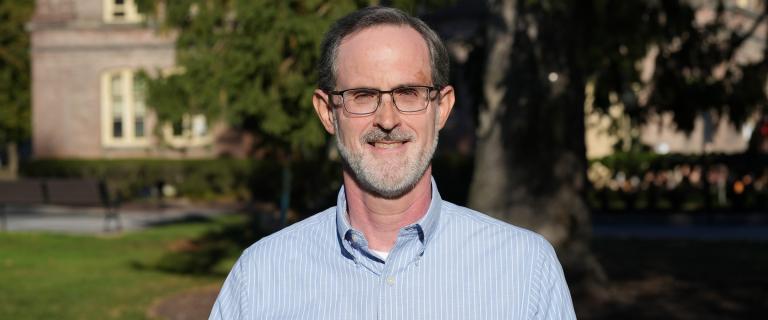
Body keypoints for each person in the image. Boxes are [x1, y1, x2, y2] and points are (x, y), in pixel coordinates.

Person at [210, 6, 576, 320]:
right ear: (327, 112)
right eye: (363, 95)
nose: (387, 119)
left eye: (408, 93)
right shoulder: (259, 278)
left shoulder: (525, 269)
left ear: (442, 108)